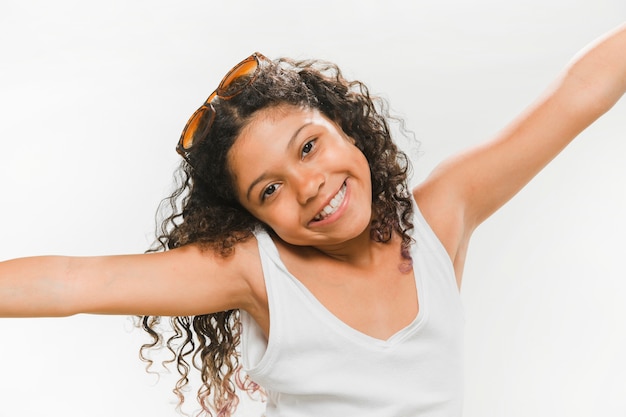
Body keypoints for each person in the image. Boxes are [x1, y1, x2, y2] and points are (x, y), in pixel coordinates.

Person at [1, 20, 625, 417]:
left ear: (348, 130)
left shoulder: (438, 218)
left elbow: (578, 93)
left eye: (308, 146)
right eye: (270, 189)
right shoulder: (257, 273)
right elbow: (74, 283)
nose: (310, 186)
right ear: (250, 217)